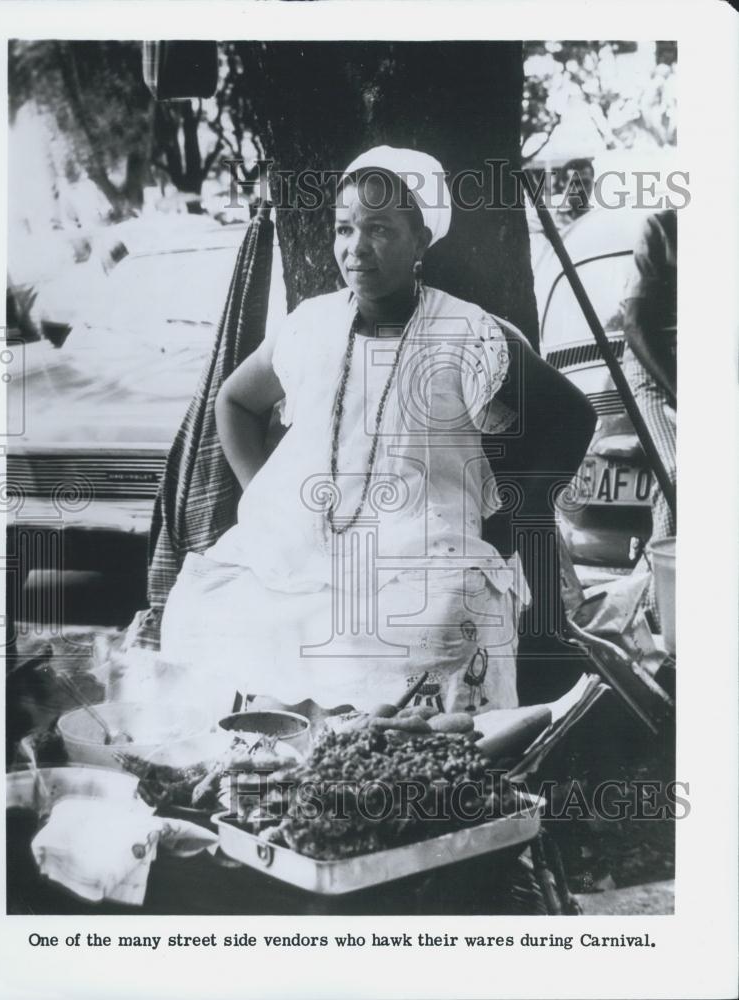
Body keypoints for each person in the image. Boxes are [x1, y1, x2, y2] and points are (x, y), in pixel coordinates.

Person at [155, 147, 574, 713]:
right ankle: (271, 744)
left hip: (425, 551)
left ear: (421, 241)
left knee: (441, 622)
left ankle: (408, 753)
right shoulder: (310, 324)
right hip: (307, 551)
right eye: (344, 228)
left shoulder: (465, 332)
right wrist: (264, 499)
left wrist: (514, 516)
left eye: (379, 229)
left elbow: (572, 417)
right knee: (203, 605)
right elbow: (233, 401)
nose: (356, 247)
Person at [622, 209, 677, 544]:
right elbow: (634, 324)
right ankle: (662, 576)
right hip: (657, 370)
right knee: (677, 474)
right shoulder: (661, 227)